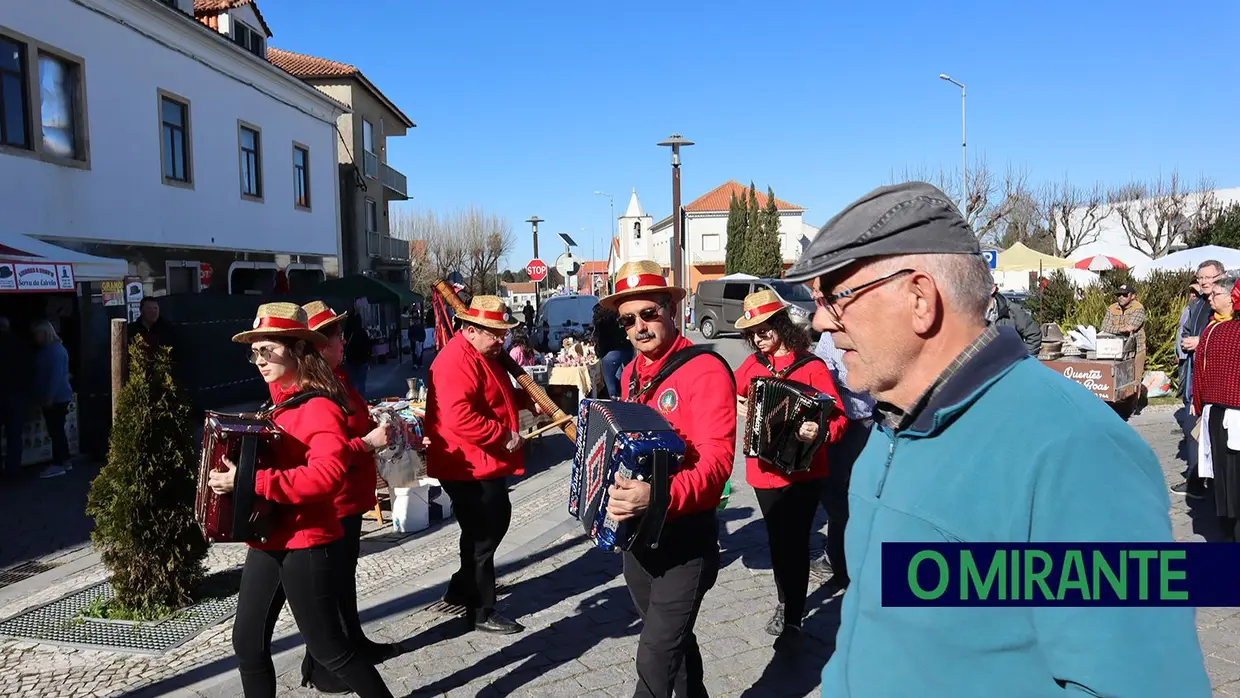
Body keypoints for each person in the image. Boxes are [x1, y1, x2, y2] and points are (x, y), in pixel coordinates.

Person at [782, 181, 1210, 698]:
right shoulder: (891, 426)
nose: (822, 322)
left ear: (920, 298)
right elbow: (875, 617)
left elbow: (1143, 685)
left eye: (836, 297)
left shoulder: (1078, 449)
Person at [209, 302, 393, 698]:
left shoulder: (319, 406)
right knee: (247, 642)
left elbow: (327, 477)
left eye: (267, 349)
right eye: (254, 351)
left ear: (296, 349)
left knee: (331, 650)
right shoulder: (277, 403)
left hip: (307, 543)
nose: (259, 360)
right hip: (269, 537)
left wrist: (251, 480)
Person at [599, 259, 736, 698]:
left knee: (654, 658)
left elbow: (716, 467)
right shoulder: (630, 375)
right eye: (628, 320)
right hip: (638, 540)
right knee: (674, 646)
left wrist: (654, 495)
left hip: (686, 540)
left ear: (670, 311)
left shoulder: (706, 370)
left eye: (648, 314)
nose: (639, 326)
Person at [732, 288, 847, 650]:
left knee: (795, 544)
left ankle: (793, 615)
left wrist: (820, 430)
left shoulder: (811, 367)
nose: (757, 338)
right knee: (778, 543)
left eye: (764, 329)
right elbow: (731, 391)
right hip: (762, 472)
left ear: (781, 324)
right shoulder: (752, 367)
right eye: (751, 333)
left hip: (804, 472)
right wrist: (740, 406)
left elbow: (839, 418)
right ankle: (787, 602)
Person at [296, 301, 399, 693]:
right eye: (338, 334)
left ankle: (354, 643)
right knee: (330, 586)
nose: (345, 339)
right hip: (335, 497)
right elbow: (330, 449)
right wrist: (367, 440)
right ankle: (326, 666)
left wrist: (367, 418)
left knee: (344, 579)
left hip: (352, 494)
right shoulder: (316, 387)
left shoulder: (336, 376)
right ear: (321, 343)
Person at [425, 295, 536, 635]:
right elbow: (460, 417)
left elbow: (497, 394)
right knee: (483, 534)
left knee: (490, 524)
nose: (502, 340)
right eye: (495, 334)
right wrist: (503, 436)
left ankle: (461, 588)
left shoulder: (483, 353)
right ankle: (481, 610)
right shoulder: (455, 361)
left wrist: (530, 399)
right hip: (464, 464)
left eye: (504, 334)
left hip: (482, 461)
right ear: (471, 330)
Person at [806, 329, 874, 595]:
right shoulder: (828, 334)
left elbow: (866, 379)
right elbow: (821, 367)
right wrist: (838, 376)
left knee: (857, 496)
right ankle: (838, 560)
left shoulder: (872, 330)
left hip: (865, 422)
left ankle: (850, 563)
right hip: (837, 424)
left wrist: (839, 377)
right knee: (835, 495)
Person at [1190, 275, 1240, 537]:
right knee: (1221, 473)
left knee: (1234, 473)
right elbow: (1202, 370)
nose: (1209, 298)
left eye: (1215, 294)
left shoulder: (1234, 329)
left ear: (1232, 297)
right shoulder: (1212, 327)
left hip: (1235, 412)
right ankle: (1226, 529)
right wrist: (1198, 400)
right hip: (1215, 409)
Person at [1172, 260, 1224, 500]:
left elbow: (1224, 339)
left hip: (1214, 382)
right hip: (1193, 375)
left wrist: (1200, 342)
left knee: (1204, 430)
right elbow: (1185, 331)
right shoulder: (1197, 304)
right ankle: (1196, 478)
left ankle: (1204, 481)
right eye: (1200, 277)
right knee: (1191, 427)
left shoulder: (1225, 307)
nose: (1203, 281)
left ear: (1220, 277)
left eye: (1209, 277)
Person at [32, 319, 74, 480]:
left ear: (45, 333)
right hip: (59, 395)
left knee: (55, 430)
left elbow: (55, 377)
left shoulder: (54, 351)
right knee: (58, 430)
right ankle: (64, 460)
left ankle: (58, 463)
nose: (35, 337)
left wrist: (49, 396)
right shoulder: (55, 349)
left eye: (37, 334)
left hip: (56, 397)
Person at [0, 317, 32, 478]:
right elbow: (27, 370)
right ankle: (13, 470)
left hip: (4, 394)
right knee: (14, 435)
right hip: (17, 396)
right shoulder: (20, 344)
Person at [1101, 283, 1147, 376]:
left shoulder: (1138, 308)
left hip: (1136, 349)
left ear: (1133, 296)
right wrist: (1122, 329)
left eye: (1125, 295)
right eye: (1119, 295)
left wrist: (1115, 329)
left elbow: (1131, 327)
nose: (1121, 297)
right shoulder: (1112, 308)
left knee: (1135, 377)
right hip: (1114, 349)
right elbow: (1104, 326)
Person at [591, 303, 633, 398]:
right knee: (628, 376)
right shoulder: (616, 318)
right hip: (627, 349)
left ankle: (614, 397)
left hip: (611, 353)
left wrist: (599, 353)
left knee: (609, 380)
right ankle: (627, 395)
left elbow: (600, 339)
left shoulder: (601, 322)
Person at [984, 285, 1041, 354]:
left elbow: (1034, 334)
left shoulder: (1012, 311)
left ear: (992, 289)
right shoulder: (970, 312)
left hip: (1008, 362)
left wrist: (1023, 359)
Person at [342, 297, 373, 395]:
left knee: (353, 383)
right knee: (361, 383)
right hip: (362, 360)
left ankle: (354, 401)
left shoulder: (347, 333)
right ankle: (361, 401)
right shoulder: (362, 333)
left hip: (351, 360)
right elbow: (369, 346)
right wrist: (368, 357)